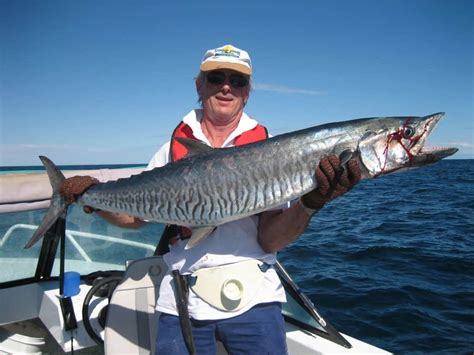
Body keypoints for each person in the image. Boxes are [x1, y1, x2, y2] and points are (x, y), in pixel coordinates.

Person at [61, 44, 361, 355]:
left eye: (238, 81)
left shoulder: (271, 153)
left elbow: (270, 240)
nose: (227, 87)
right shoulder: (170, 150)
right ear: (199, 85)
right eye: (216, 77)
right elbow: (135, 219)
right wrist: (95, 198)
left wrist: (311, 202)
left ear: (247, 92)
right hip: (180, 299)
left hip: (255, 299)